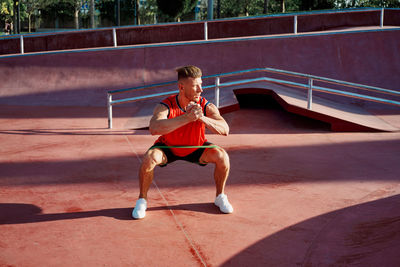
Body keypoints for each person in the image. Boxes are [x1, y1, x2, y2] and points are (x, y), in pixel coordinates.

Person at [132, 65, 233, 219]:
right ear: (181, 87)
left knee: (222, 156)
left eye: (201, 84)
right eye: (195, 86)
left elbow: (225, 129)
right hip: (169, 148)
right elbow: (154, 128)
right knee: (149, 159)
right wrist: (186, 118)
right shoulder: (166, 105)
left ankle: (220, 197)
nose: (201, 89)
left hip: (196, 147)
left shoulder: (205, 105)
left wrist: (200, 117)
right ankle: (142, 200)